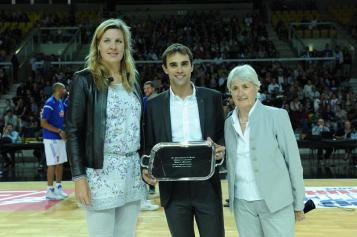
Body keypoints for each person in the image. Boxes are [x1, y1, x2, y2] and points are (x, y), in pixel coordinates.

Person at [66, 18, 146, 237]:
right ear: (98, 45)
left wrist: (146, 164)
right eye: (107, 41)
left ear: (125, 46)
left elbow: (140, 126)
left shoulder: (133, 79)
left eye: (119, 41)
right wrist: (79, 178)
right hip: (99, 172)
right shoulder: (84, 80)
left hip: (131, 170)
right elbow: (73, 131)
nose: (113, 46)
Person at [143, 43, 225, 237]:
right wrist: (145, 170)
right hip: (172, 188)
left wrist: (222, 147)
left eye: (184, 63)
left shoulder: (212, 97)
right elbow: (149, 143)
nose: (179, 69)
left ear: (191, 66)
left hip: (207, 186)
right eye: (173, 65)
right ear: (165, 69)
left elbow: (221, 134)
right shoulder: (154, 105)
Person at [224, 64, 305, 237]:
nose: (240, 93)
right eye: (235, 88)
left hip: (276, 202)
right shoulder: (228, 123)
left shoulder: (277, 116)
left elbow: (294, 162)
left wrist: (298, 203)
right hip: (242, 203)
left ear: (257, 88)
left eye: (245, 86)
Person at [41, 82, 68, 200]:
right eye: (64, 88)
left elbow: (67, 108)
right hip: (51, 139)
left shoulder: (60, 102)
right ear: (58, 89)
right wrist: (58, 131)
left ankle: (58, 187)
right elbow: (43, 123)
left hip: (59, 137)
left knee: (60, 163)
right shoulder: (49, 103)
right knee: (52, 164)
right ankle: (49, 190)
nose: (65, 90)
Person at [141, 80, 160, 211]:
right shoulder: (143, 99)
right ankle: (148, 187)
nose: (146, 91)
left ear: (153, 88)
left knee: (154, 161)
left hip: (155, 135)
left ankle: (153, 186)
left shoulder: (158, 99)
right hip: (144, 135)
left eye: (148, 88)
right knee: (146, 162)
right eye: (145, 89)